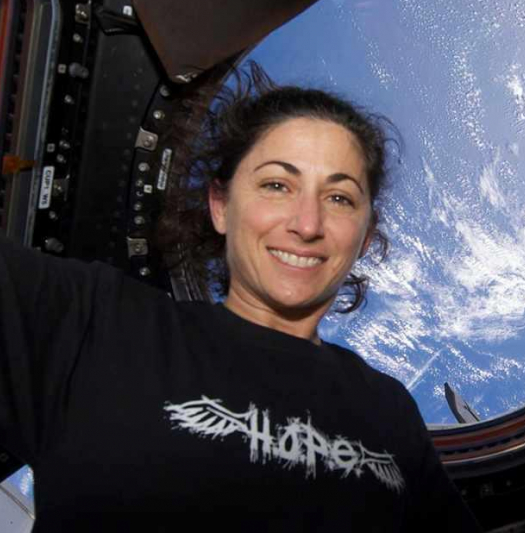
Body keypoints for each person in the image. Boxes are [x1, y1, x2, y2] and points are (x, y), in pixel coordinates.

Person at [1, 60, 482, 530]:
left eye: (340, 198)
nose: (307, 224)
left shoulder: (390, 411)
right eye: (277, 185)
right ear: (220, 206)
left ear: (365, 234)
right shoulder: (93, 322)